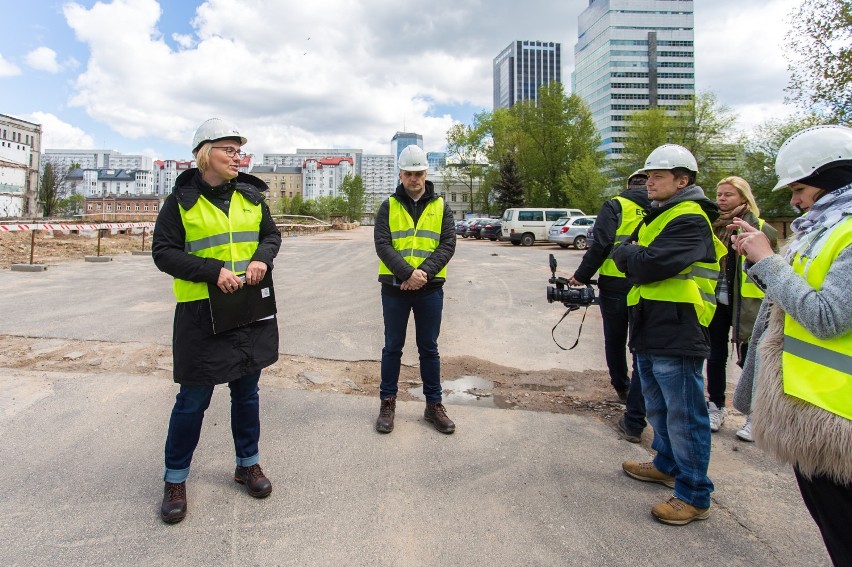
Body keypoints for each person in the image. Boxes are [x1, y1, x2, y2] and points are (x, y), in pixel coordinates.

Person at [732, 124, 852, 566]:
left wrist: (767, 259)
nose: (795, 201)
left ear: (833, 178)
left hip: (837, 418)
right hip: (813, 412)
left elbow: (826, 316)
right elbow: (788, 301)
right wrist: (759, 260)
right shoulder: (824, 229)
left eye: (800, 189)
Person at [152, 118, 282, 524]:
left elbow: (271, 237)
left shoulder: (251, 197)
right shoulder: (180, 202)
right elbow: (163, 252)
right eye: (229, 149)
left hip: (247, 309)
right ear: (205, 153)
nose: (237, 157)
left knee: (247, 393)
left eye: (239, 150)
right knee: (193, 400)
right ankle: (175, 480)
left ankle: (248, 465)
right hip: (200, 314)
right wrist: (212, 271)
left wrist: (262, 257)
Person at [612, 144, 726, 525]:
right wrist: (633, 255)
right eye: (646, 177)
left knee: (684, 414)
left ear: (683, 180)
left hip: (678, 327)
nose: (648, 183)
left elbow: (645, 264)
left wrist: (632, 256)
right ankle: (665, 463)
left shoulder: (690, 218)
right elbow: (626, 253)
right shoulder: (658, 215)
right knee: (659, 406)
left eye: (657, 176)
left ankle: (694, 493)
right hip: (652, 323)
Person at [374, 144, 457, 434]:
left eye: (419, 173)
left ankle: (433, 405)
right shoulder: (388, 206)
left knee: (429, 349)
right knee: (392, 348)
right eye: (409, 173)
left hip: (429, 289)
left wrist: (422, 274)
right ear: (400, 174)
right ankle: (387, 402)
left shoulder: (441, 206)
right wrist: (407, 274)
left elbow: (448, 244)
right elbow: (383, 244)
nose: (414, 179)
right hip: (395, 288)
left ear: (426, 173)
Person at [570, 170, 650, 443]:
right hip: (647, 284)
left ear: (629, 185)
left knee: (614, 340)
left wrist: (581, 275)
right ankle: (640, 402)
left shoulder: (616, 205)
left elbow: (601, 244)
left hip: (616, 283)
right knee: (641, 347)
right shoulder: (664, 207)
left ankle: (622, 387)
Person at [706, 177, 777, 436]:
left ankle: (753, 417)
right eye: (719, 194)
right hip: (717, 301)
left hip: (747, 305)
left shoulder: (760, 229)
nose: (722, 199)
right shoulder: (713, 226)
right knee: (714, 356)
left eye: (728, 195)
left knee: (750, 359)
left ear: (744, 198)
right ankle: (715, 406)